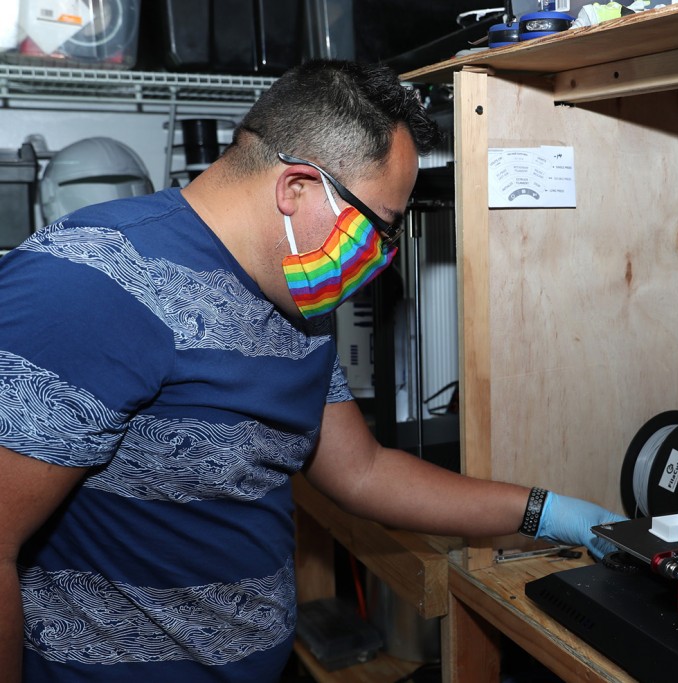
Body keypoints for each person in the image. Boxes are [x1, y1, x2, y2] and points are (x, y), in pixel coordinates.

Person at [0, 60, 625, 683]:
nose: (387, 251)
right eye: (382, 224)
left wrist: (551, 513)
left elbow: (362, 470)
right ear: (296, 188)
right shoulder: (86, 282)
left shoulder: (297, 295)